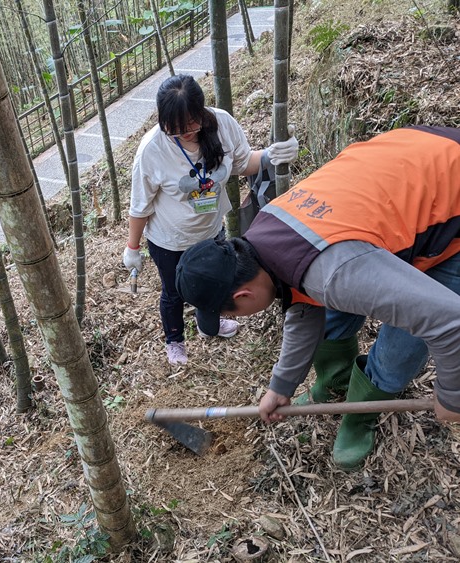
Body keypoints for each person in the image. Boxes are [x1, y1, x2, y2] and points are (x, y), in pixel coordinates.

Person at [174, 125, 460, 469]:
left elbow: (450, 322)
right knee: (331, 303)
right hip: (413, 153)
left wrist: (452, 397)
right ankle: (336, 380)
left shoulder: (333, 275)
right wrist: (281, 386)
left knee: (406, 336)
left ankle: (362, 412)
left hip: (449, 194)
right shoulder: (265, 231)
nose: (237, 317)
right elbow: (304, 305)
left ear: (244, 294)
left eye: (233, 312)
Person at [122, 74, 298, 365]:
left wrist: (271, 156)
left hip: (211, 230)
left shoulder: (223, 124)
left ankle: (212, 324)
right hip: (170, 239)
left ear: (202, 113)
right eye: (173, 130)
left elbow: (243, 164)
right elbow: (140, 206)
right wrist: (133, 247)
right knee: (174, 291)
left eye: (190, 125)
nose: (183, 134)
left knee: (217, 283)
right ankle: (175, 340)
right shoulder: (152, 150)